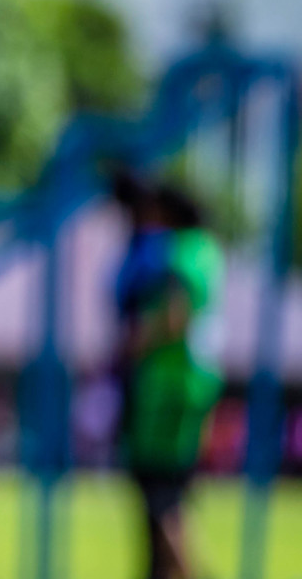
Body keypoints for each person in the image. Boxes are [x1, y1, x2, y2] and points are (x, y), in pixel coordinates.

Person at [111, 177, 224, 579]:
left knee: (159, 494)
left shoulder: (179, 254)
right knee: (172, 492)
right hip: (193, 383)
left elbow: (173, 316)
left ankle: (185, 571)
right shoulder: (209, 251)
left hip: (166, 387)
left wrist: (133, 343)